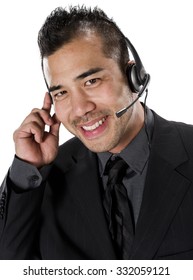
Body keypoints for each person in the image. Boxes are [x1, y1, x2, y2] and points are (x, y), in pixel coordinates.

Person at [0, 5, 193, 260]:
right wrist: (27, 168)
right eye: (62, 93)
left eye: (91, 81)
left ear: (133, 76)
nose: (80, 109)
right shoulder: (44, 177)